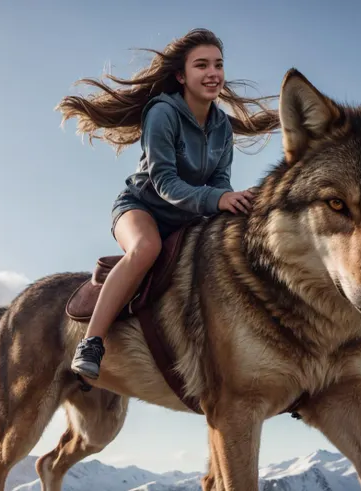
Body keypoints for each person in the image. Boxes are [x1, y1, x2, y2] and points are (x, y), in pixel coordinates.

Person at [56, 28, 279, 380]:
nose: (213, 73)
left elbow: (220, 181)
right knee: (146, 248)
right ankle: (92, 342)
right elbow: (164, 182)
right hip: (143, 207)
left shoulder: (223, 126)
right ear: (181, 75)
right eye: (201, 65)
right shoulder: (162, 113)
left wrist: (230, 201)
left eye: (218, 65)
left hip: (190, 215)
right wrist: (217, 198)